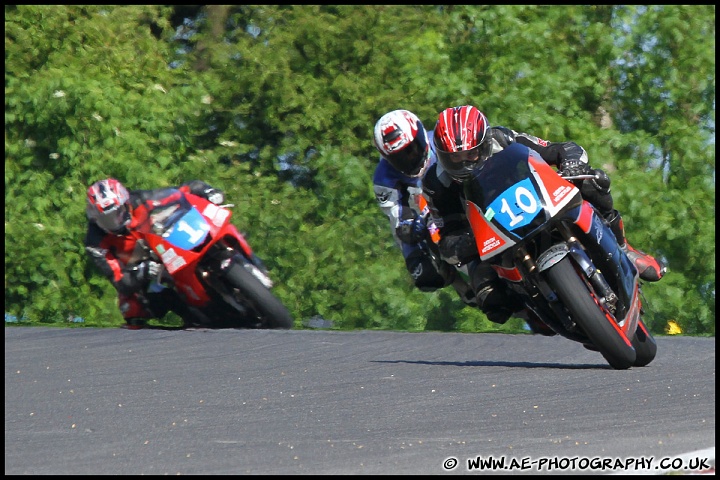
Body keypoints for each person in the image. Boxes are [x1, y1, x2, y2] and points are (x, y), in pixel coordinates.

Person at [423, 105, 667, 325]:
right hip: (489, 235)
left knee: (594, 181)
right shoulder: (435, 182)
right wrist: (458, 245)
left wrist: (571, 164)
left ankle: (624, 247)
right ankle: (536, 309)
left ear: (484, 142)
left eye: (470, 154)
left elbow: (560, 149)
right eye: (455, 157)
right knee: (492, 302)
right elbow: (444, 234)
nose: (464, 163)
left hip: (536, 201)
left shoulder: (503, 138)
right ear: (442, 155)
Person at [84, 178, 226, 329]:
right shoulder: (95, 242)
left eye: (117, 213)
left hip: (168, 244)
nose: (114, 221)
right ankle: (197, 318)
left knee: (212, 228)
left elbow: (182, 191)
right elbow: (118, 279)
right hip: (142, 269)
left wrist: (207, 191)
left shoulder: (141, 200)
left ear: (125, 203)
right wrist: (141, 272)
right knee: (133, 309)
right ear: (95, 218)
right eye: (106, 219)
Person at [372, 109, 476, 306]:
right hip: (428, 218)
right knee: (425, 276)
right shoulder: (384, 178)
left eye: (412, 149)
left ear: (420, 133)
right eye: (399, 157)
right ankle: (459, 283)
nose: (410, 158)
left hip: (463, 198)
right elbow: (398, 219)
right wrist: (410, 229)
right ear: (387, 158)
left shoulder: (442, 142)